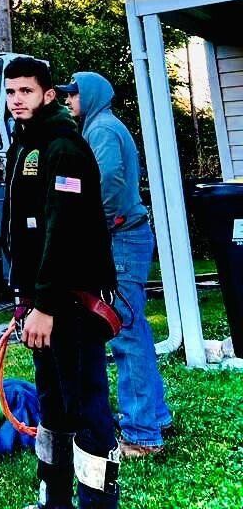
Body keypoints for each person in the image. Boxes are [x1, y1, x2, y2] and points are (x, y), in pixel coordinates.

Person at [2, 57, 120, 509]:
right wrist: (26, 300)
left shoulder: (63, 147)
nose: (17, 101)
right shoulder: (27, 144)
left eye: (26, 92)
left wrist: (47, 306)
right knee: (52, 407)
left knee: (87, 410)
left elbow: (64, 229)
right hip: (41, 306)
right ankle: (53, 500)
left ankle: (97, 503)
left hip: (69, 306)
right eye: (11, 92)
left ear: (48, 95)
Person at [56, 72, 172, 458]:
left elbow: (104, 185)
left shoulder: (102, 129)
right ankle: (155, 417)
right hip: (128, 234)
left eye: (73, 95)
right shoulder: (102, 127)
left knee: (123, 333)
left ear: (88, 96)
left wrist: (91, 232)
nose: (68, 101)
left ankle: (141, 435)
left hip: (121, 238)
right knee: (135, 332)